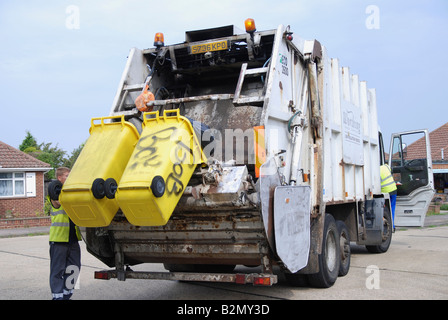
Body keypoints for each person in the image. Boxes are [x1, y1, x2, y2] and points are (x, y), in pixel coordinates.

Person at [48, 167, 81, 300]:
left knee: (74, 268)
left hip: (73, 240)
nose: (69, 178)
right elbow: (61, 202)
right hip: (59, 240)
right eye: (67, 176)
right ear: (59, 178)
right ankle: (57, 297)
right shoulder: (55, 194)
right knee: (58, 271)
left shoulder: (69, 193)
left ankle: (68, 295)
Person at [380, 164, 397, 231]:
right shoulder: (386, 166)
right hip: (393, 189)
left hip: (385, 192)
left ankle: (385, 223)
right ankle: (392, 225)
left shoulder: (375, 171)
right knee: (392, 208)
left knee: (383, 208)